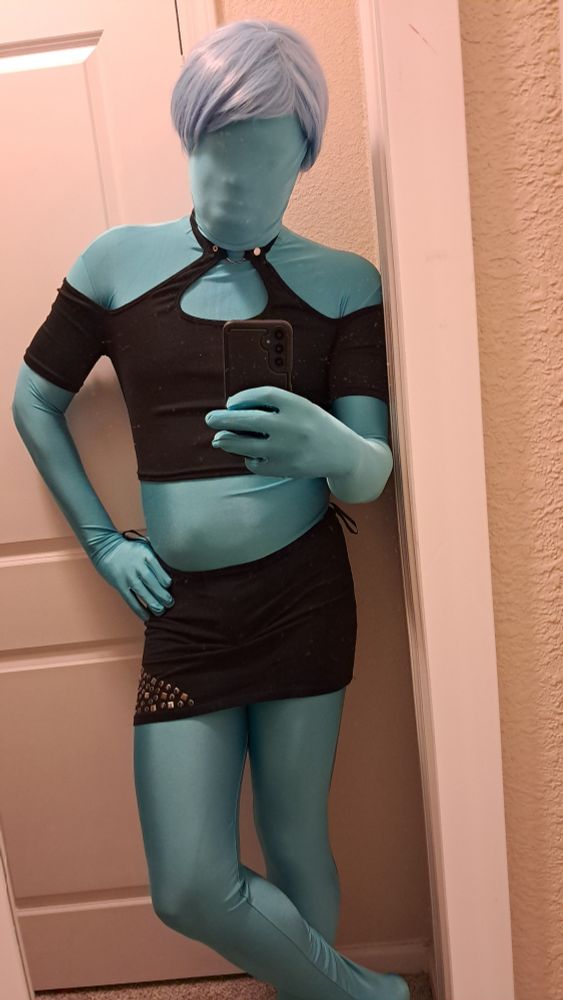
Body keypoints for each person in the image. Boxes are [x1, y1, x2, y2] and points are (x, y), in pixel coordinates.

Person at [12, 18, 409, 1000]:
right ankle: (371, 996)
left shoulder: (343, 284)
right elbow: (33, 399)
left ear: (303, 158)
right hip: (181, 612)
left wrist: (332, 448)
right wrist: (102, 542)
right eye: (213, 159)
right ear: (187, 140)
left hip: (303, 597)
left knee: (293, 837)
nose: (232, 190)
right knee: (188, 884)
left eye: (261, 166)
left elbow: (370, 473)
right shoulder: (114, 264)